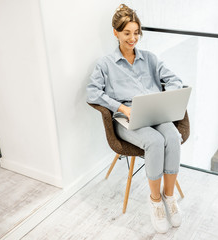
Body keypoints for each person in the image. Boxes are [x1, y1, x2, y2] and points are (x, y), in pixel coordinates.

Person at [86, 4, 184, 234]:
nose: (133, 38)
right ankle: (155, 201)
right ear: (116, 32)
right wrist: (121, 107)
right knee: (154, 141)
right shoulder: (105, 64)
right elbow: (93, 93)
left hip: (154, 110)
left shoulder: (150, 58)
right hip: (126, 117)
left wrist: (164, 97)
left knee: (172, 135)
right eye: (127, 33)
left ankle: (168, 197)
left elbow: (175, 80)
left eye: (136, 32)